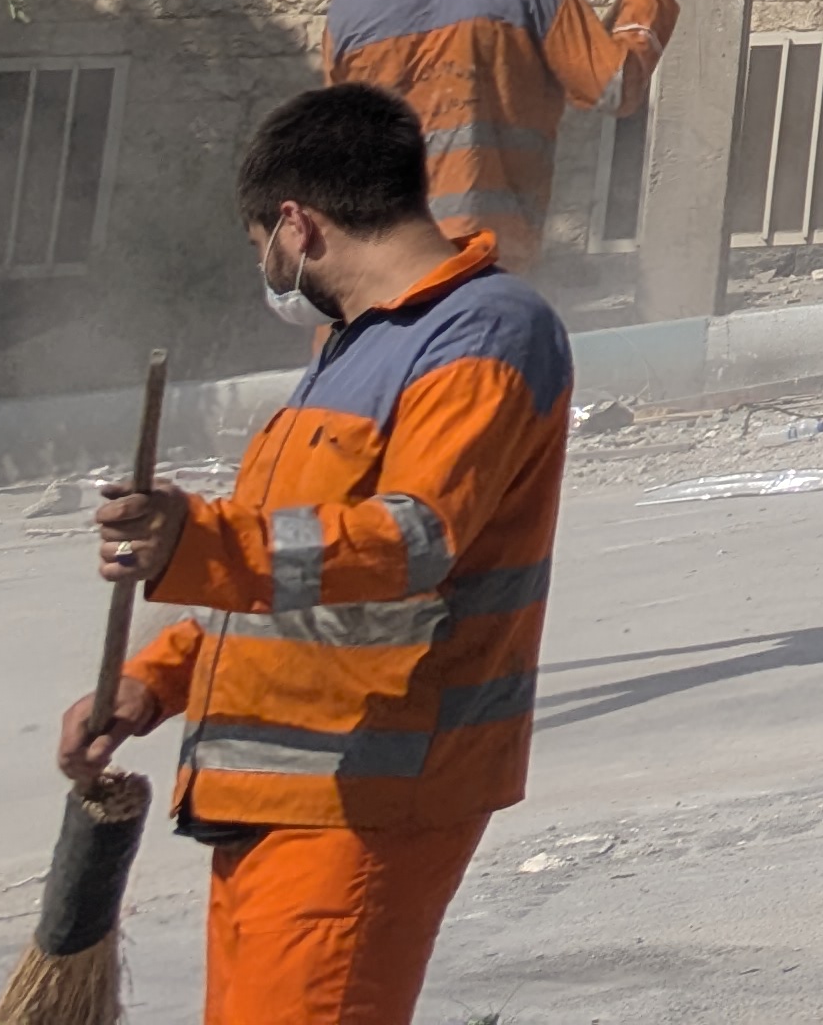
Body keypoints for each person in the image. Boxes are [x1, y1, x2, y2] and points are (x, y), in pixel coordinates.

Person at [62, 78, 571, 1025]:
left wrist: (195, 536)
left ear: (297, 225)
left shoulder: (489, 332)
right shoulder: (350, 350)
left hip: (365, 795)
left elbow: (411, 541)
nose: (270, 270)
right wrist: (156, 680)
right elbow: (289, 570)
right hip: (275, 793)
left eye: (263, 247)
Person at [313, 0, 693, 282]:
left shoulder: (347, 15)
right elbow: (616, 87)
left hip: (382, 261)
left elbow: (338, 153)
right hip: (488, 260)